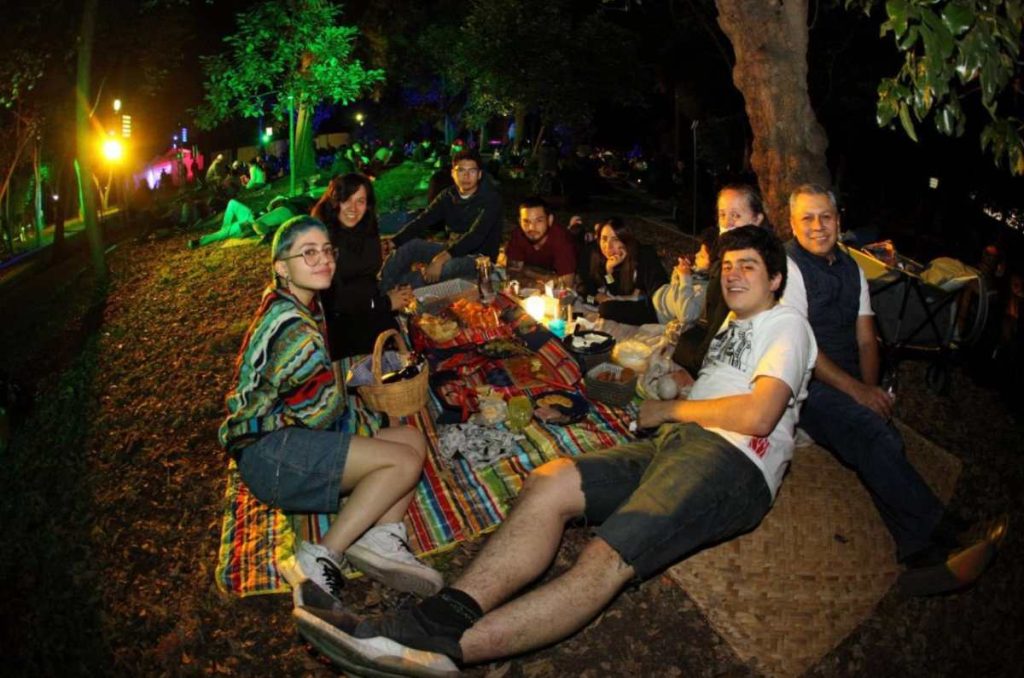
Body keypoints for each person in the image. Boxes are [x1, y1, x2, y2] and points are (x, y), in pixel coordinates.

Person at [291, 226, 817, 676]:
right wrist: (677, 391)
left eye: (748, 266)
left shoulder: (786, 323)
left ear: (775, 280)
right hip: (676, 444)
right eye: (728, 266)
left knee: (606, 556)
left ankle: (424, 649)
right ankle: (440, 618)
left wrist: (670, 411)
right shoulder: (733, 324)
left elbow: (760, 414)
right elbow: (723, 389)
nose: (733, 275)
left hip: (732, 464)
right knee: (550, 480)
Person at [784, 184, 1006, 596]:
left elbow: (868, 340)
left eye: (826, 217)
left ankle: (922, 553)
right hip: (804, 383)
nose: (818, 226)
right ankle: (943, 532)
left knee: (878, 437)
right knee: (875, 436)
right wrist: (858, 394)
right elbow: (804, 348)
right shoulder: (790, 266)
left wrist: (871, 393)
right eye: (807, 218)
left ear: (839, 219)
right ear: (793, 224)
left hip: (846, 382)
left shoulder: (852, 269)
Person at [218, 215, 443, 604]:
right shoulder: (292, 329)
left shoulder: (301, 304)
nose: (322, 260)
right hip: (270, 453)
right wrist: (369, 411)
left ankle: (381, 537)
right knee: (401, 463)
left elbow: (322, 399)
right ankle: (321, 556)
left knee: (412, 439)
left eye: (326, 250)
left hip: (291, 433)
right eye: (308, 253)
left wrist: (368, 414)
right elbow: (324, 416)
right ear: (281, 267)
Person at [311, 174, 415, 359]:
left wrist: (389, 295)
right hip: (343, 325)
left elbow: (368, 277)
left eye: (360, 201)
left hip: (372, 308)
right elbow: (336, 299)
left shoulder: (366, 228)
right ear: (336, 201)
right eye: (346, 200)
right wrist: (386, 303)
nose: (353, 208)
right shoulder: (323, 240)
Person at [379, 150, 503, 290]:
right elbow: (423, 220)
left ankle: (396, 291)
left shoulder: (491, 198)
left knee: (442, 269)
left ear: (479, 174)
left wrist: (441, 259)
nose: (466, 176)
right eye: (461, 170)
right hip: (452, 249)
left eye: (472, 171)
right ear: (452, 173)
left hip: (479, 259)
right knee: (411, 247)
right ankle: (381, 290)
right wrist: (394, 241)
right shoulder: (448, 195)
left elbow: (476, 236)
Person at [577, 217, 668, 325]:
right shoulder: (594, 253)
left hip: (652, 305)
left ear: (625, 240)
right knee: (602, 306)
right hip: (617, 302)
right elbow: (583, 290)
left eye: (615, 239)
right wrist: (598, 296)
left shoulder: (643, 255)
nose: (608, 246)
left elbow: (655, 290)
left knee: (607, 308)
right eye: (604, 239)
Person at [504, 196, 577, 288]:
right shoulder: (518, 235)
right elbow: (512, 274)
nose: (531, 228)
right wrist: (537, 283)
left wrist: (527, 271)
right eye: (526, 221)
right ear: (519, 222)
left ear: (549, 220)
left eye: (539, 221)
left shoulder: (561, 239)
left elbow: (566, 285)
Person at [651, 225, 716, 327]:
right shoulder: (699, 274)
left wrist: (684, 278)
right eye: (699, 250)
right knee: (647, 258)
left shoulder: (705, 290)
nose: (697, 255)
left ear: (714, 265)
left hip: (655, 312)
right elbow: (675, 290)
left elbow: (686, 315)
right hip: (657, 294)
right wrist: (678, 275)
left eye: (702, 256)